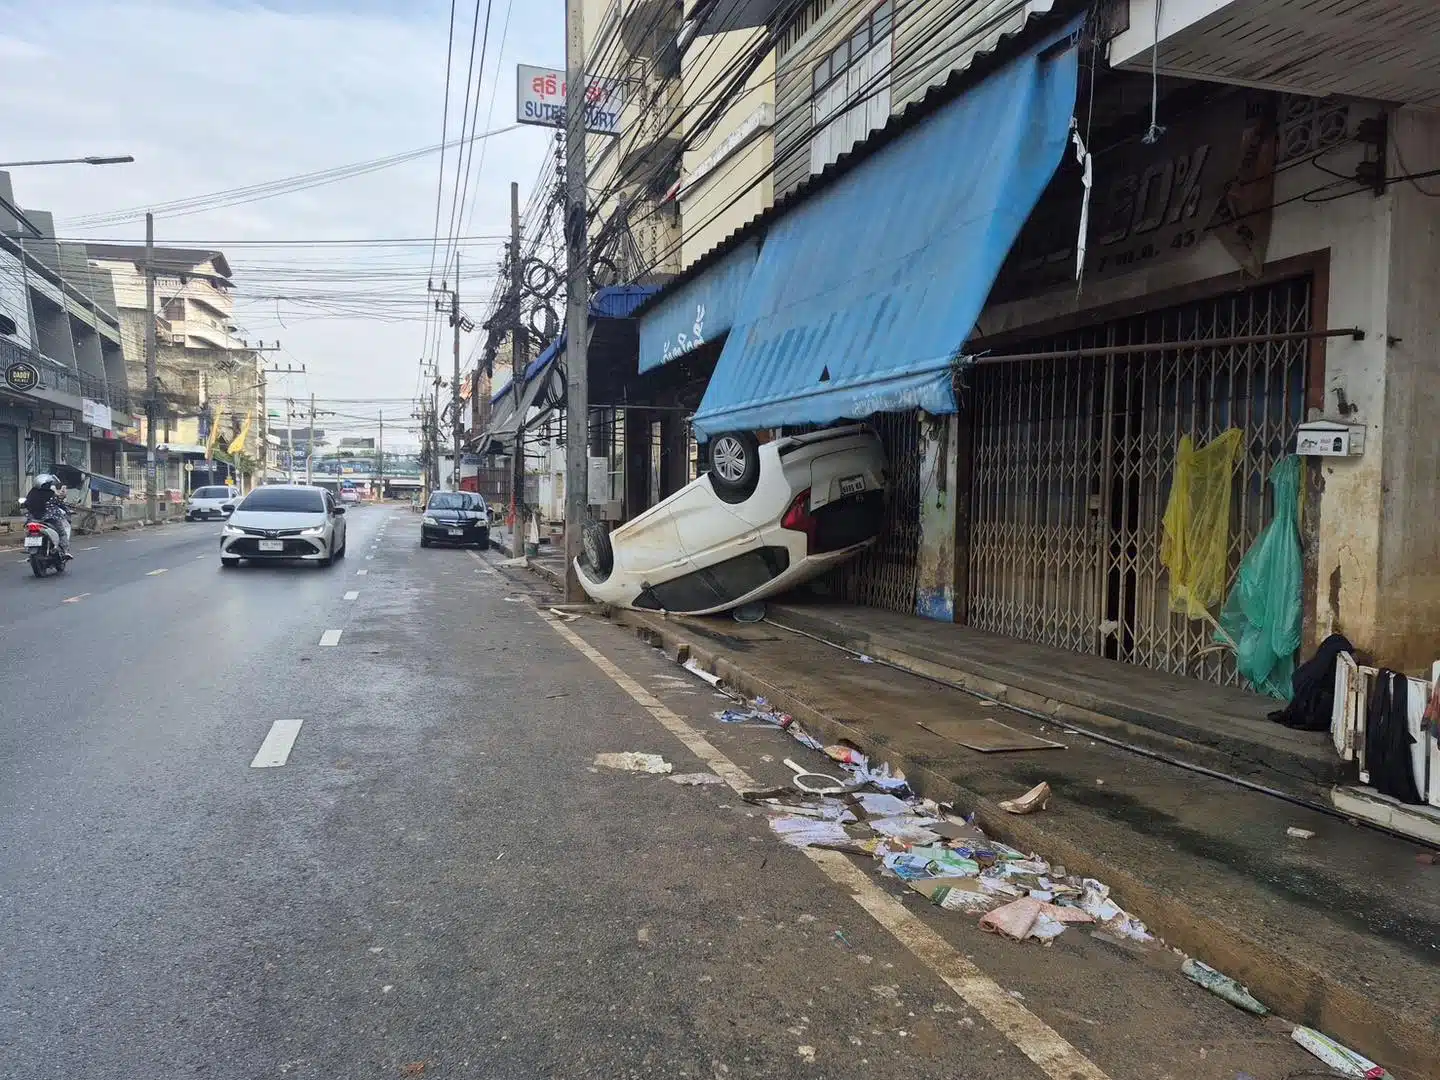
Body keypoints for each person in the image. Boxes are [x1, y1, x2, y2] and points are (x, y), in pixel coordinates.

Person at [22, 473, 72, 558]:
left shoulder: (31, 494)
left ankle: (29, 548)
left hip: (33, 519)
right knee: (62, 533)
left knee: (28, 531)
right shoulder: (50, 494)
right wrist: (67, 510)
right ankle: (65, 551)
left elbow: (26, 504)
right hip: (49, 519)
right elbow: (60, 504)